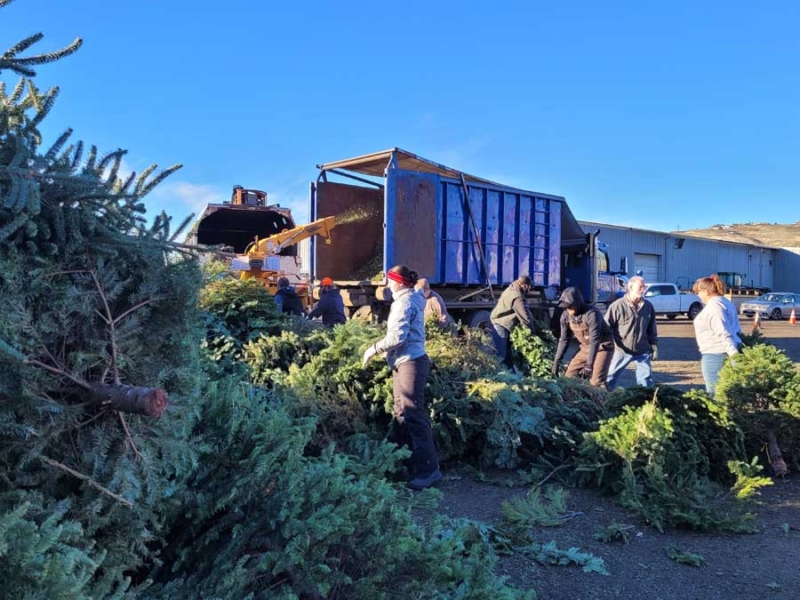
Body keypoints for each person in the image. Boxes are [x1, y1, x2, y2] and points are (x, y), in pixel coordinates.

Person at [362, 265, 441, 490]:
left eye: (389, 281)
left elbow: (397, 336)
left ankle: (429, 470)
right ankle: (404, 462)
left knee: (413, 414)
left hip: (411, 363)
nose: (387, 285)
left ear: (398, 282)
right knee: (401, 412)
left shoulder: (404, 302)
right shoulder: (411, 298)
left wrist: (374, 349)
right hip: (404, 362)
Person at [552, 286, 614, 387]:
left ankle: (601, 399)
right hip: (585, 348)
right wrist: (557, 361)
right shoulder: (565, 316)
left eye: (570, 306)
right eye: (566, 307)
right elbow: (564, 339)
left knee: (595, 382)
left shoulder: (592, 313)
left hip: (602, 347)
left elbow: (595, 340)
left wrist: (589, 365)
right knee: (569, 376)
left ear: (577, 303)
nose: (568, 309)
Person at [604, 275, 658, 390]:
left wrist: (654, 344)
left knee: (646, 380)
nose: (642, 289)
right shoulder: (617, 306)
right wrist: (609, 345)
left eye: (643, 286)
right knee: (610, 377)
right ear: (630, 287)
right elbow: (606, 327)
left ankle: (646, 402)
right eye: (640, 287)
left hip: (642, 350)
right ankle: (604, 398)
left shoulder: (648, 306)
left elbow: (651, 328)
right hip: (622, 349)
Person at [692, 274, 742, 396]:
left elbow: (724, 333)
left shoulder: (714, 307)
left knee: (715, 394)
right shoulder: (725, 302)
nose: (698, 296)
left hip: (716, 355)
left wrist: (735, 357)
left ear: (705, 291)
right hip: (723, 352)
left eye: (698, 292)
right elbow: (737, 329)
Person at [490, 275, 536, 367]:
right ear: (525, 286)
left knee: (507, 353)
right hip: (501, 323)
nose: (530, 290)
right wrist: (534, 333)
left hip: (500, 321)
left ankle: (510, 374)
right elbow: (525, 318)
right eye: (530, 287)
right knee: (501, 354)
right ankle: (498, 375)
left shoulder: (512, 287)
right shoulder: (517, 296)